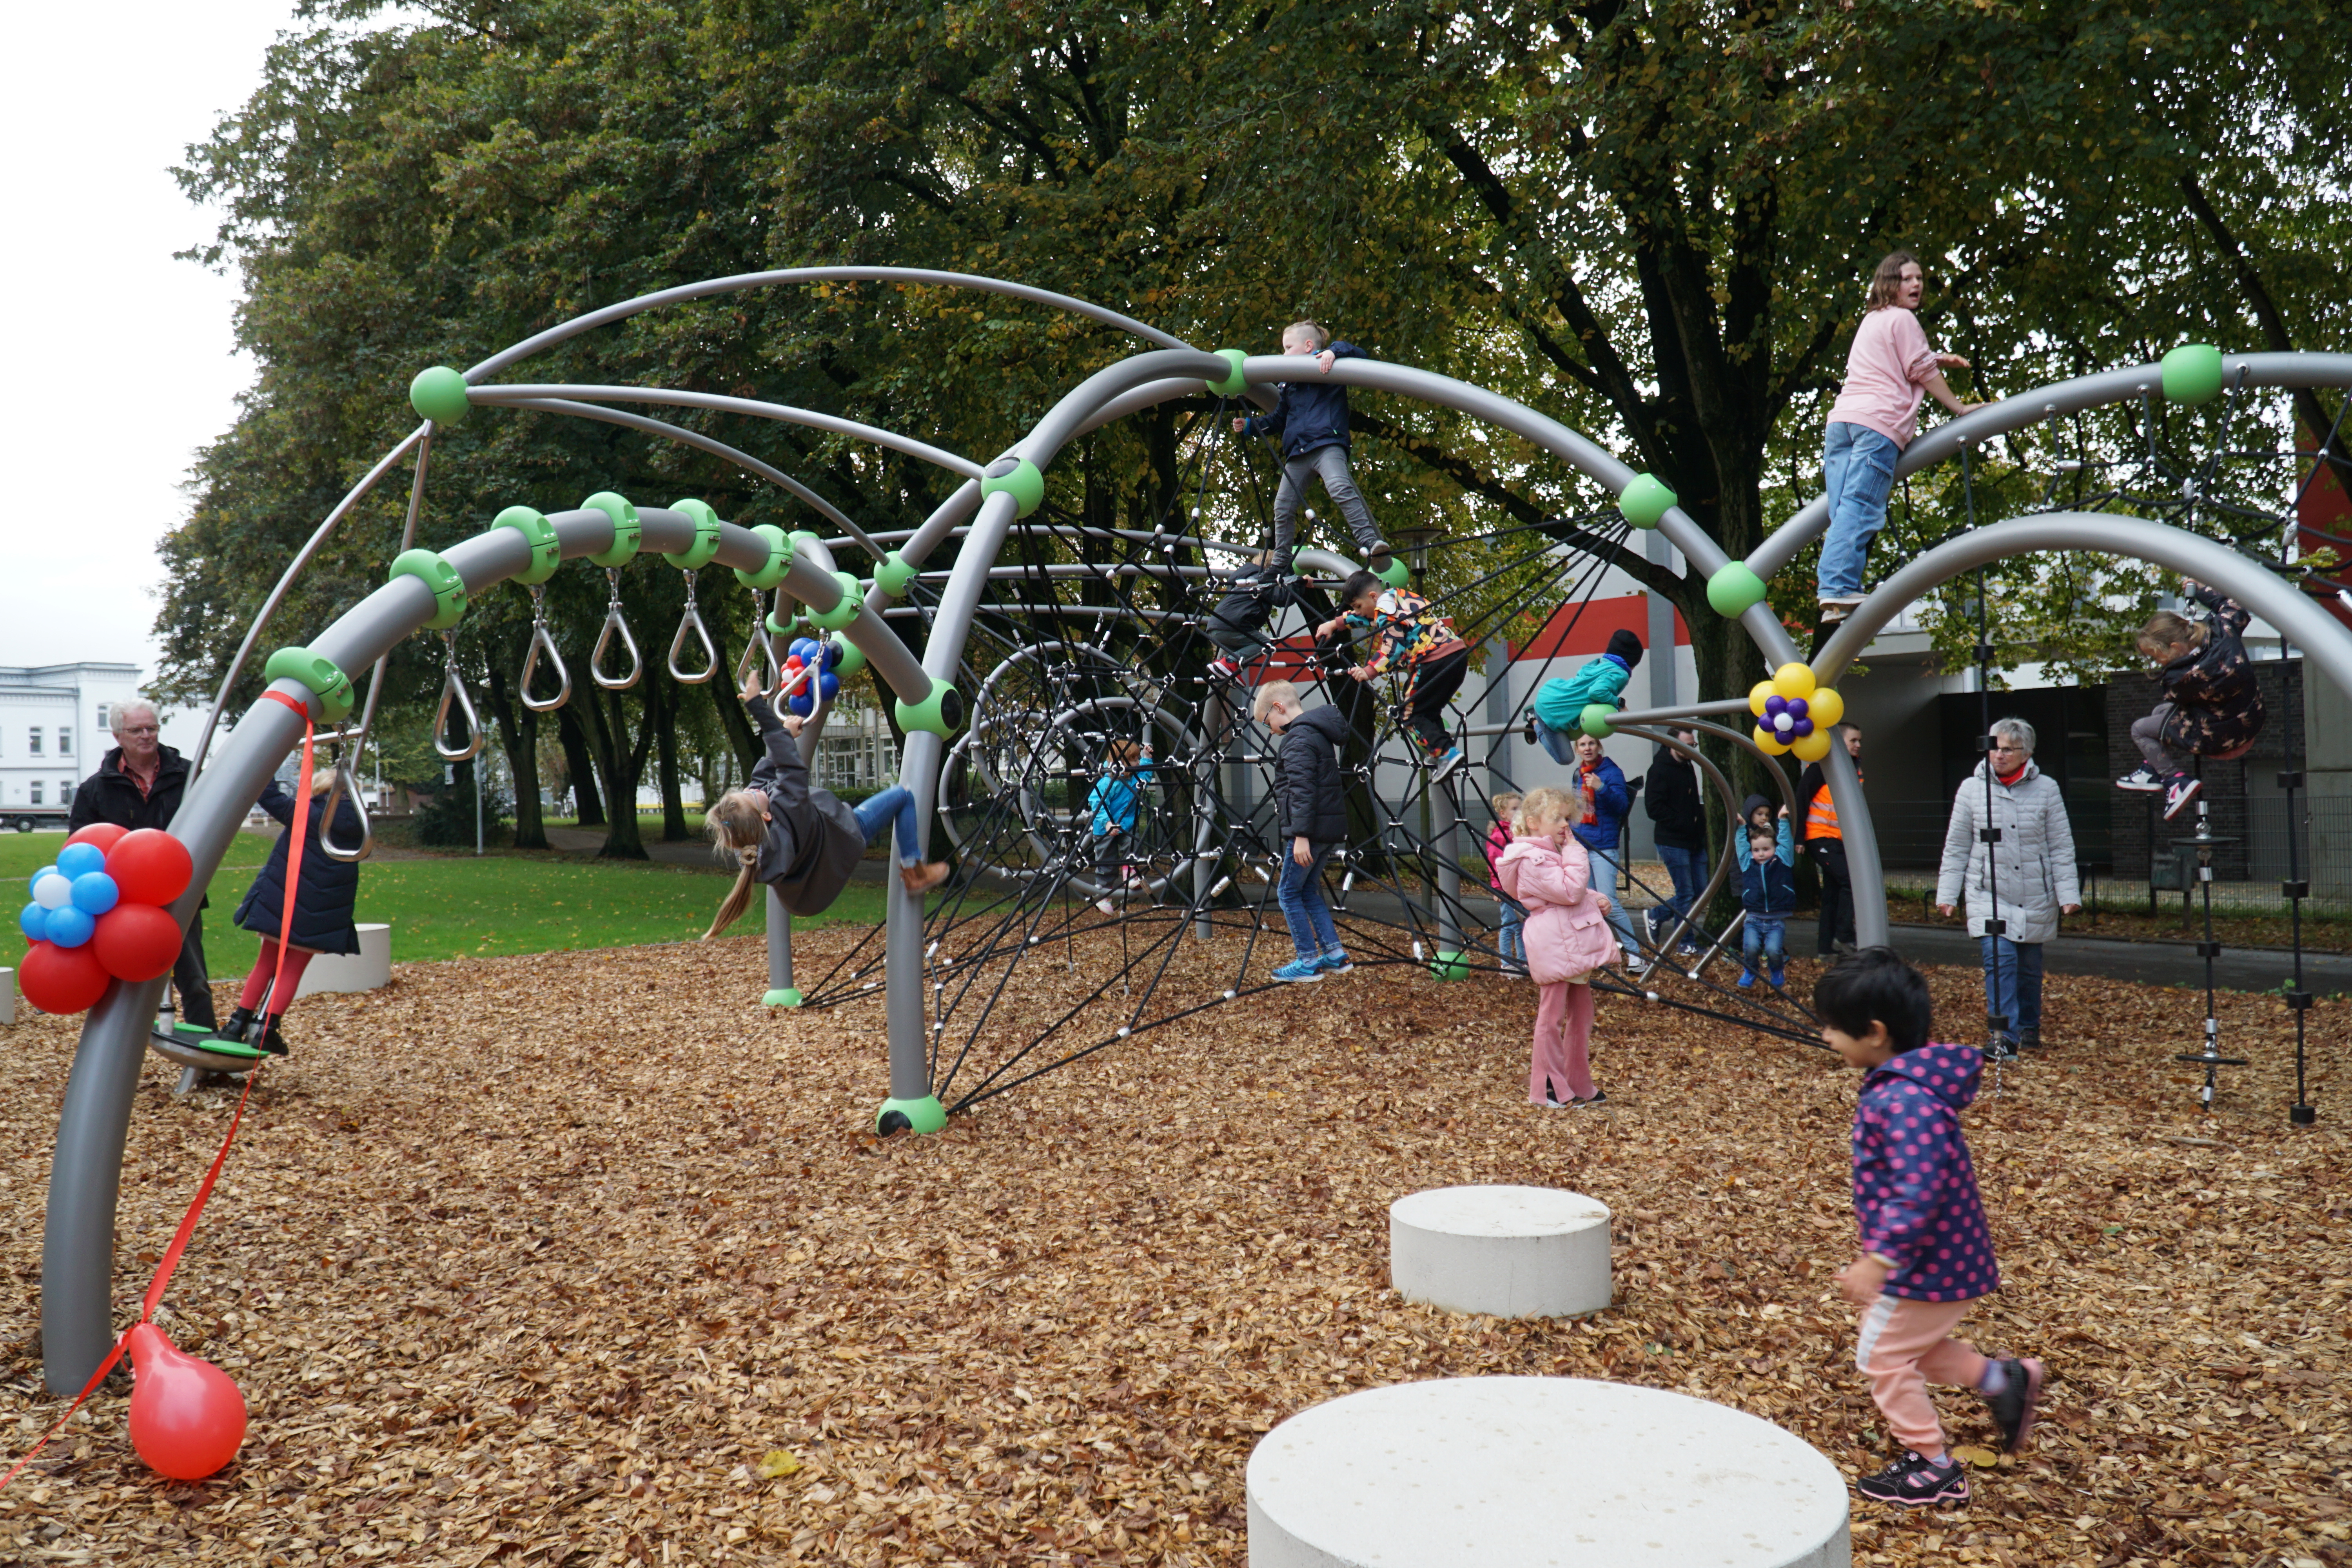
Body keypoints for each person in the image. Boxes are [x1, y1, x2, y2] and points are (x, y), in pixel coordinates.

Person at [1817, 947, 2045, 1508]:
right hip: (1937, 1259)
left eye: (1833, 1027)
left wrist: (1881, 1258)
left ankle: (1933, 1466)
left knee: (1880, 1357)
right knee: (1905, 1347)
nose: (1825, 1037)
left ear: (1875, 1033)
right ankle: (2002, 1380)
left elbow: (1919, 1189)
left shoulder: (1906, 1101)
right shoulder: (1901, 1085)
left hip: (1924, 1264)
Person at [704, 673, 949, 939]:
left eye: (744, 790)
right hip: (844, 836)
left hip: (804, 892)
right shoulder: (790, 807)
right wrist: (756, 707)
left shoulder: (753, 843)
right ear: (765, 815)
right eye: (750, 795)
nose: (751, 789)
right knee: (902, 796)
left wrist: (786, 735)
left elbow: (766, 772)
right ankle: (915, 871)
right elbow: (789, 766)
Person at [1815, 252, 1985, 622]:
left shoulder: (1872, 320)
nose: (1917, 285)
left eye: (1920, 279)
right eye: (1908, 279)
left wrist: (1937, 357)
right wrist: (1958, 408)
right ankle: (1837, 587)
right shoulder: (1904, 319)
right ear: (1890, 284)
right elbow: (1918, 368)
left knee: (1841, 510)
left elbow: (1896, 358)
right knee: (1861, 506)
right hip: (1878, 423)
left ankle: (1834, 601)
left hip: (1842, 422)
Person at [67, 699, 215, 1029]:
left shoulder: (190, 776)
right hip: (122, 902)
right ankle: (118, 1050)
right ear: (118, 736)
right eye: (136, 730)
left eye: (152, 728)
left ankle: (206, 1048)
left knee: (194, 978)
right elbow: (80, 845)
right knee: (124, 979)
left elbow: (212, 825)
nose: (146, 736)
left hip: (179, 890)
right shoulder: (96, 789)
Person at [1935, 718, 2080, 1054]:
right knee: (1999, 961)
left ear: (2026, 753)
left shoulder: (2047, 789)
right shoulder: (1971, 789)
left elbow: (2060, 846)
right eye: (1995, 748)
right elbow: (1956, 846)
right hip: (1988, 893)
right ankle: (2003, 1038)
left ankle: (2028, 1026)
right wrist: (1947, 894)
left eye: (2008, 750)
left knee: (2028, 969)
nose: (1999, 755)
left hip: (2035, 894)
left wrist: (2068, 895)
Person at [1495, 786, 1623, 1108]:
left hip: (1569, 941)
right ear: (1533, 822)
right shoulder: (1533, 859)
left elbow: (1565, 893)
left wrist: (1596, 899)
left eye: (1568, 818)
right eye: (1557, 818)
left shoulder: (1549, 854)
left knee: (1582, 1013)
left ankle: (1577, 1081)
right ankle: (1547, 1086)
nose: (1566, 824)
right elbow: (1568, 891)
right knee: (1551, 1016)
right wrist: (1576, 852)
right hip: (1556, 943)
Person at [223, 768, 367, 1054]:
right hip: (324, 909)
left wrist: (271, 763)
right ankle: (267, 1029)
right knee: (294, 968)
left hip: (285, 901)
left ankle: (237, 1024)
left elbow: (267, 795)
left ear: (320, 790)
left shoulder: (305, 814)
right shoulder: (361, 826)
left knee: (266, 963)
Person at [1230, 321, 1392, 573]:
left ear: (1308, 346)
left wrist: (1333, 352)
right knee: (1282, 506)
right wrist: (1251, 425)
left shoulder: (1328, 365)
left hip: (1327, 443)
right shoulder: (1289, 383)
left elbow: (1360, 354)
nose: (1284, 354)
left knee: (1339, 486)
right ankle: (1280, 562)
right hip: (1299, 452)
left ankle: (1370, 542)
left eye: (1288, 348)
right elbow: (1279, 418)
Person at [2115, 583, 2266, 822]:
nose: (2157, 663)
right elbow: (2235, 607)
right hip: (2252, 722)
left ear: (2175, 647)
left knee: (2140, 730)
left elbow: (2178, 701)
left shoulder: (2178, 678)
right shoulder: (2223, 631)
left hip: (2219, 741)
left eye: (2157, 656)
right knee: (2162, 712)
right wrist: (2201, 590)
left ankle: (2174, 779)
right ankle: (2152, 767)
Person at [1316, 570, 1469, 780]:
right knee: (1427, 711)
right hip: (1457, 657)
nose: (1357, 611)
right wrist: (1335, 624)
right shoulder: (1397, 597)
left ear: (1372, 597)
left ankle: (1445, 753)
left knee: (1410, 714)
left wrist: (1369, 671)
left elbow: (1393, 649)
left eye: (1358, 606)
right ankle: (1441, 751)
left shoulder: (1385, 611)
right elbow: (1365, 618)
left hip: (1433, 661)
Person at [1255, 680, 1355, 981]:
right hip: (1326, 830)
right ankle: (1335, 955)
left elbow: (1303, 790)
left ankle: (1308, 961)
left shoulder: (1297, 739)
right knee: (1309, 891)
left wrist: (1300, 836)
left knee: (1287, 893)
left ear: (1279, 708)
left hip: (1308, 833)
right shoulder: (1317, 733)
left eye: (1267, 722)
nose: (1269, 730)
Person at [1565, 732, 1645, 968]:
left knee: (1609, 902)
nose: (1587, 748)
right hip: (1580, 845)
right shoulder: (1578, 773)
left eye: (1592, 743)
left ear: (1599, 746)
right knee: (1588, 904)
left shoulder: (1612, 772)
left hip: (1603, 846)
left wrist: (1601, 788)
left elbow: (1621, 807)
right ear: (1577, 749)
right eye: (1582, 744)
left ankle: (1636, 955)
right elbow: (1576, 808)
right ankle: (1597, 955)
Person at [1527, 630, 1644, 764]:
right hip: (1549, 709)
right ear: (1632, 661)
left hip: (1551, 694)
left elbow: (1582, 675)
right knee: (1566, 758)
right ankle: (1534, 721)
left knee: (1566, 739)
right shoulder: (1621, 674)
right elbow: (1596, 692)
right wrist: (1619, 703)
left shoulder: (1600, 663)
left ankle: (1537, 719)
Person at [1642, 727, 1707, 957]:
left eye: (1693, 746)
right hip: (1672, 841)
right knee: (1686, 893)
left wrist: (1698, 823)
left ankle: (1657, 915)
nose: (1691, 750)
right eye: (1686, 746)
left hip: (1693, 840)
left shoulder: (1687, 765)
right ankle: (1684, 942)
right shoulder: (1660, 769)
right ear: (1672, 745)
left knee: (1700, 890)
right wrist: (1684, 823)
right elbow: (1653, 808)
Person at [1800, 724, 1864, 956]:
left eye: (1859, 741)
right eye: (1853, 741)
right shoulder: (1821, 768)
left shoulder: (1854, 770)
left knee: (1833, 893)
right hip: (1820, 837)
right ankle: (1844, 935)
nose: (1858, 745)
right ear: (1839, 742)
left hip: (1838, 839)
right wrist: (1799, 837)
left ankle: (1826, 948)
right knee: (1851, 882)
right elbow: (1801, 799)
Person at [1086, 739, 1155, 916]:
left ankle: (1130, 875)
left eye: (1138, 759)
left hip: (1127, 824)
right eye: (1134, 760)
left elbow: (1146, 777)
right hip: (1105, 828)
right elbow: (1097, 802)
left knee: (1133, 849)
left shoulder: (1134, 777)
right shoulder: (1108, 781)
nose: (1138, 763)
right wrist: (1107, 823)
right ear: (1122, 762)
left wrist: (1147, 758)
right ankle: (1104, 896)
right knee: (1107, 863)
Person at [1203, 554, 1298, 682]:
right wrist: (1297, 582)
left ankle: (1227, 669)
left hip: (1214, 627)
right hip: (1232, 626)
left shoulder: (1241, 579)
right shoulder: (1260, 579)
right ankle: (1230, 662)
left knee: (1246, 651)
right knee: (1266, 646)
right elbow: (1283, 598)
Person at [1739, 810, 1797, 991]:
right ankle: (1751, 971)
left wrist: (1783, 820)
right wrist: (1741, 828)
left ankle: (1777, 969)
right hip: (1754, 917)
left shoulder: (1782, 860)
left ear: (1775, 848)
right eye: (1756, 850)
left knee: (1773, 950)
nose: (1761, 854)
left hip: (1775, 919)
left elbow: (1786, 842)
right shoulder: (1748, 863)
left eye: (1766, 849)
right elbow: (1741, 846)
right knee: (1750, 948)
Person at [1484, 792, 1526, 976]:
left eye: (1521, 808)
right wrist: (1498, 888)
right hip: (1507, 888)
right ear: (1503, 814)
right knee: (1509, 925)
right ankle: (1507, 963)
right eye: (1515, 809)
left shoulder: (1520, 832)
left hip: (1520, 886)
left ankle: (1523, 962)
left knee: (1522, 925)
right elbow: (1495, 862)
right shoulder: (1500, 835)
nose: (1519, 812)